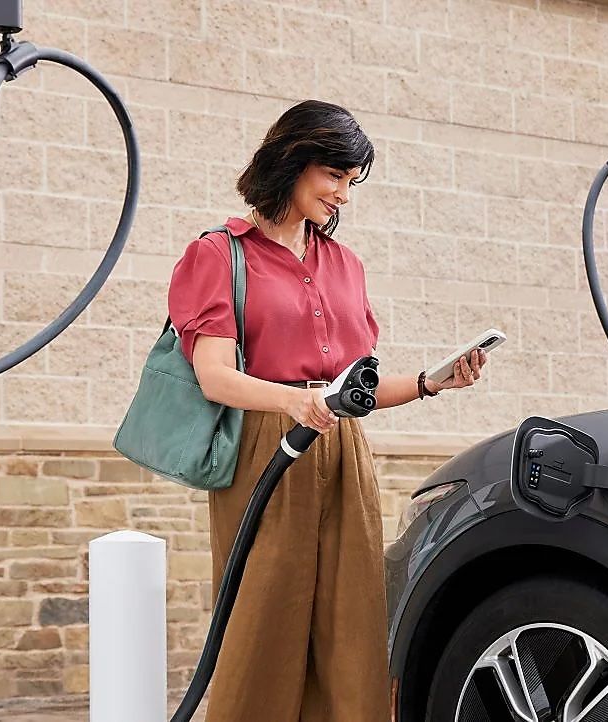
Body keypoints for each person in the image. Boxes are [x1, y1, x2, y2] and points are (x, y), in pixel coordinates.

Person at [167, 99, 488, 722]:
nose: (342, 194)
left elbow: (354, 387)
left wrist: (429, 382)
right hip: (266, 452)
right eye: (333, 176)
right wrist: (295, 401)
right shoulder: (220, 254)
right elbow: (214, 376)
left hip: (343, 454)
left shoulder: (344, 265)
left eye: (350, 182)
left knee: (355, 625)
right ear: (292, 162)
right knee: (262, 623)